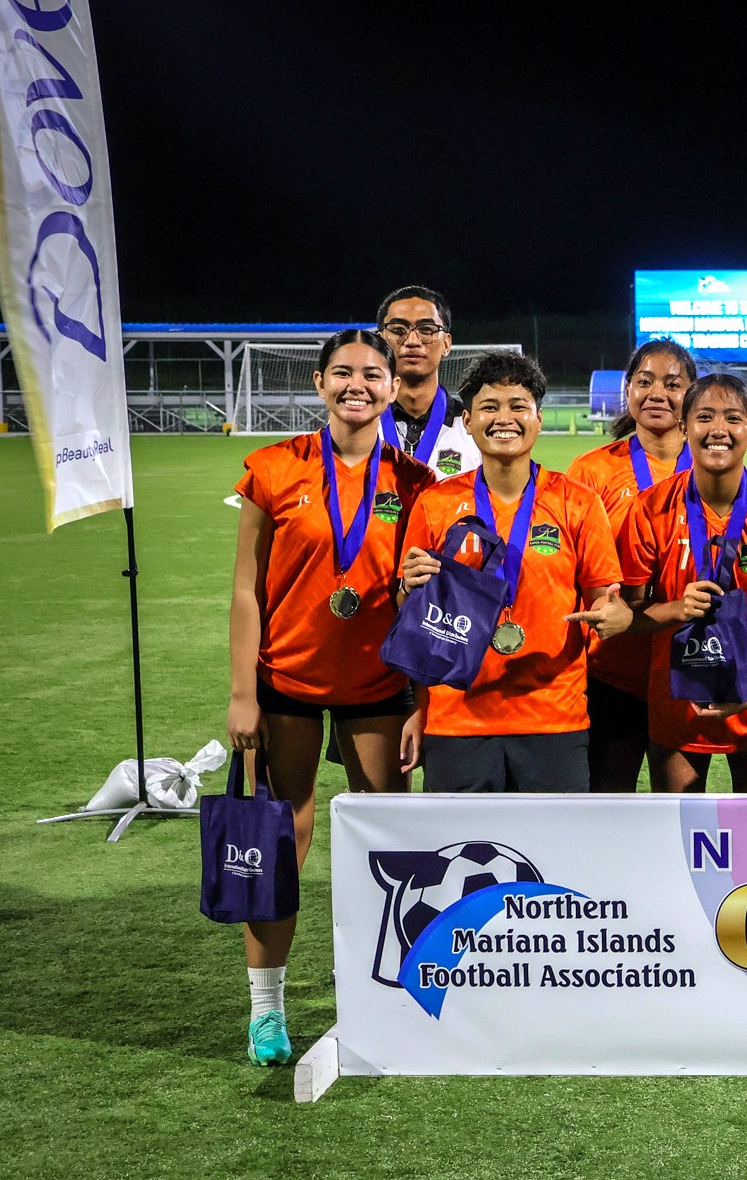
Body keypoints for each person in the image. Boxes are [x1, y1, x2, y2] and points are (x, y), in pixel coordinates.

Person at [226, 328, 433, 1065]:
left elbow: (426, 602)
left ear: (390, 386)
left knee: (388, 847)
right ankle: (266, 1009)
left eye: (371, 374)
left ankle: (374, 989)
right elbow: (247, 589)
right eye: (342, 372)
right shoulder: (274, 468)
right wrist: (242, 692)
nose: (357, 384)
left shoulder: (415, 483)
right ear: (319, 383)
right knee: (281, 844)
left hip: (378, 683)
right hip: (284, 681)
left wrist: (422, 697)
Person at [398, 352, 629, 794]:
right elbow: (412, 618)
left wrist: (617, 618)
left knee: (553, 858)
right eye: (490, 406)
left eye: (518, 406)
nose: (504, 418)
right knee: (460, 856)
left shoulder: (577, 501)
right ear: (467, 421)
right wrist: (408, 591)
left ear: (539, 419)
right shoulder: (436, 503)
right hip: (457, 719)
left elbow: (608, 600)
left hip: (553, 717)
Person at [619, 373, 747, 793]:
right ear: (683, 429)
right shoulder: (650, 508)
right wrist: (675, 608)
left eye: (733, 418)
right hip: (677, 707)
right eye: (704, 417)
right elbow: (628, 614)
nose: (718, 430)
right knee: (676, 843)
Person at [563, 339, 698, 791]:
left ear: (691, 394)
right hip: (611, 670)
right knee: (605, 802)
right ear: (627, 390)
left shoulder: (711, 466)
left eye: (673, 384)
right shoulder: (590, 471)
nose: (657, 393)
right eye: (644, 381)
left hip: (688, 668)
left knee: (680, 815)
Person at [376, 285, 480, 477]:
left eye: (426, 330)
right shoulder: (360, 425)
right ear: (381, 341)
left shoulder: (474, 429)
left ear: (446, 344)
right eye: (398, 330)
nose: (412, 341)